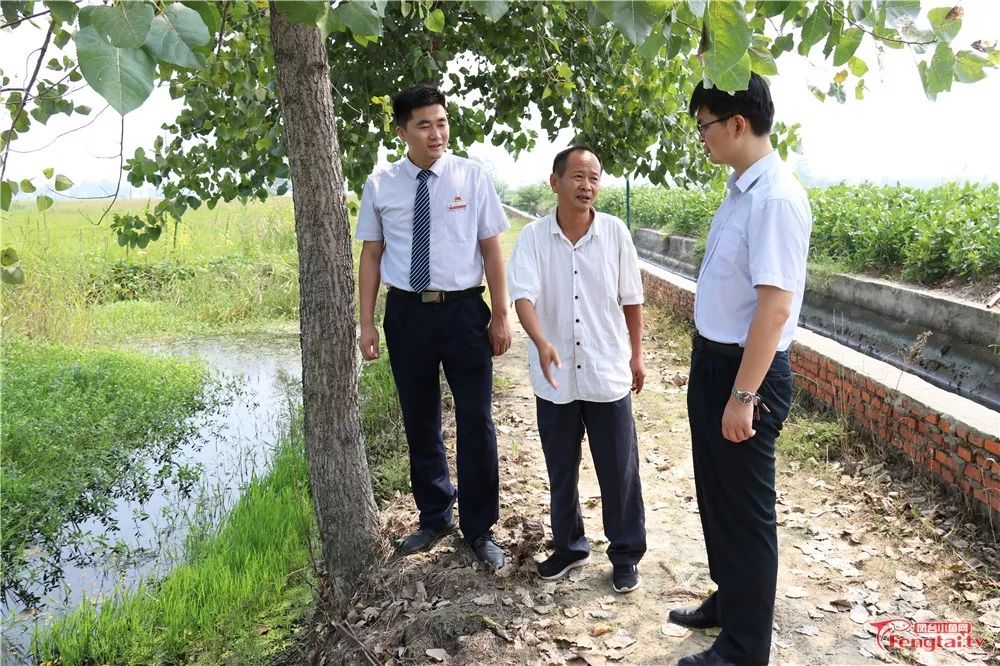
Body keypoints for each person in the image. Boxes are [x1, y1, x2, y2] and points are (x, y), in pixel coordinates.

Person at [669, 74, 812, 666]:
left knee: (747, 513)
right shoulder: (740, 190)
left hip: (746, 373)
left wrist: (743, 394)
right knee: (717, 496)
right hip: (715, 361)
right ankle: (730, 601)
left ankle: (747, 647)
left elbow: (775, 307)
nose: (700, 137)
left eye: (704, 125)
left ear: (736, 123)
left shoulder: (775, 196)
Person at [356, 84, 512, 568]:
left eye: (441, 122)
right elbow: (371, 255)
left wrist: (502, 312)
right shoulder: (381, 184)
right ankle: (434, 516)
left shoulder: (471, 176)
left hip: (465, 312)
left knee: (476, 420)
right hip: (407, 313)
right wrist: (366, 324)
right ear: (402, 131)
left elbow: (491, 247)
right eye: (423, 124)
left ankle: (480, 527)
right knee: (419, 419)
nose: (436, 133)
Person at [507, 146, 647, 594]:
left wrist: (637, 354)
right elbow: (523, 297)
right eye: (577, 177)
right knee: (561, 469)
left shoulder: (615, 233)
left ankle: (625, 553)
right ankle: (569, 547)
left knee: (619, 470)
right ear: (555, 182)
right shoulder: (533, 238)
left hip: (607, 371)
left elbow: (632, 298)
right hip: (556, 377)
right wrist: (542, 340)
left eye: (594, 178)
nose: (587, 186)